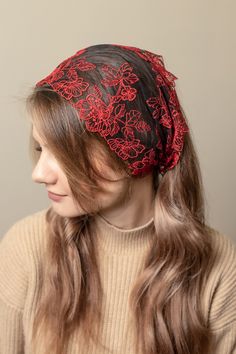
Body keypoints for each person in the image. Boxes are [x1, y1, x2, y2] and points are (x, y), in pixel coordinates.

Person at [0, 44, 235, 354]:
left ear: (133, 151)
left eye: (68, 154)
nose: (40, 174)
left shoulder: (217, 265)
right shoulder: (27, 247)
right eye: (42, 149)